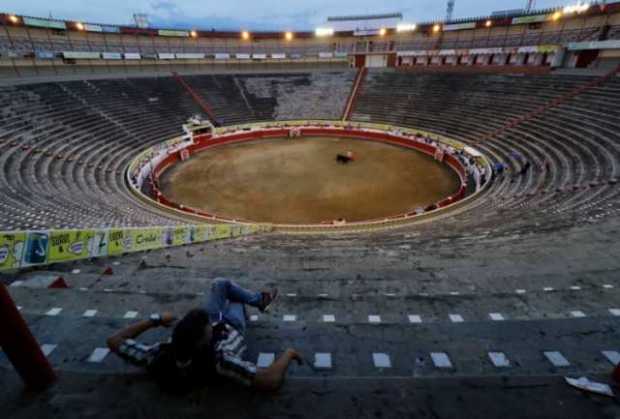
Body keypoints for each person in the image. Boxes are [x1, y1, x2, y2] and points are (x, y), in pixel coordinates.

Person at [106, 277, 302, 394]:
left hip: (215, 323)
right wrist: (289, 353)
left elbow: (114, 341)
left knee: (220, 284)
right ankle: (259, 301)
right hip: (232, 326)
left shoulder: (160, 355)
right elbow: (270, 380)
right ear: (204, 341)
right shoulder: (220, 360)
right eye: (208, 327)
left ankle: (259, 300)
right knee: (234, 299)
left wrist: (154, 320)